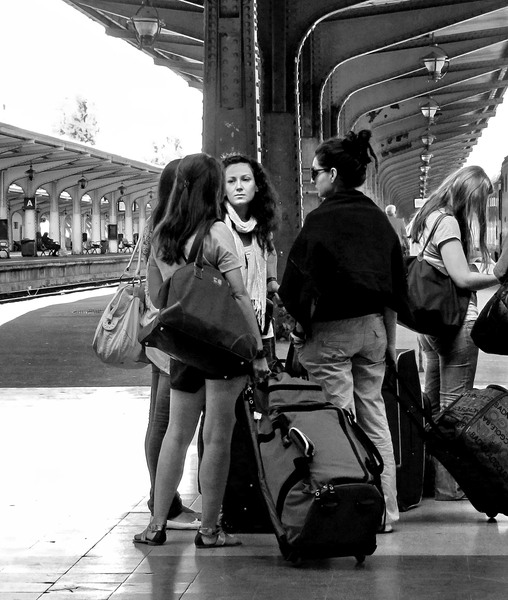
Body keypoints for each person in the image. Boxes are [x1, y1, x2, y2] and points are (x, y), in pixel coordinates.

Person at [133, 153, 269, 547]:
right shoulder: (218, 232)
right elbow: (240, 297)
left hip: (184, 348)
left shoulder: (163, 235)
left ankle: (156, 526)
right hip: (222, 348)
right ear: (213, 189)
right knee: (217, 436)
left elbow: (158, 295)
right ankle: (209, 530)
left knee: (176, 435)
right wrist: (258, 351)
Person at [279, 130, 407, 533]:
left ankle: (353, 512)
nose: (313, 180)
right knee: (375, 419)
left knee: (341, 421)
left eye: (315, 173)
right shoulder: (380, 221)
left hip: (332, 335)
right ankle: (386, 511)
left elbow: (297, 287)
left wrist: (299, 330)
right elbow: (393, 289)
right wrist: (389, 342)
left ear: (332, 174)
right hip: (374, 331)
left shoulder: (320, 221)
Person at [408, 165, 508, 500]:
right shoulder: (448, 221)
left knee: (435, 406)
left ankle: (431, 480)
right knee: (456, 408)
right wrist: (498, 275)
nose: (479, 210)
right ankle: (449, 488)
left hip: (431, 324)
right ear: (468, 195)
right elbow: (462, 278)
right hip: (455, 323)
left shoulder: (428, 215)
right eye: (479, 202)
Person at [140, 158, 201, 530]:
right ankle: (165, 504)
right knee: (165, 425)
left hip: (161, 337)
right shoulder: (175, 233)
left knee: (158, 423)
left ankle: (160, 499)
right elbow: (178, 290)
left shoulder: (160, 226)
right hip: (173, 340)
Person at [222, 153, 280, 365]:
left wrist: (271, 280)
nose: (239, 186)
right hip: (227, 328)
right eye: (231, 181)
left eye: (245, 179)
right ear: (222, 188)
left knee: (264, 383)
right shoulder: (217, 226)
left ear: (257, 186)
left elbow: (270, 253)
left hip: (262, 325)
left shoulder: (262, 226)